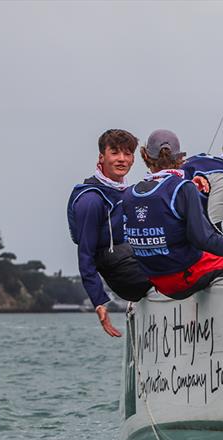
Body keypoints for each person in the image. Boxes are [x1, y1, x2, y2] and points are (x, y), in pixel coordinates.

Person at [122, 129, 223, 299]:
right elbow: (206, 238)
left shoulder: (130, 194)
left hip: (155, 279)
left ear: (145, 155)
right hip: (182, 278)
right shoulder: (188, 187)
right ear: (180, 158)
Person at [66, 129, 151, 337]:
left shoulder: (126, 192)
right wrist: (99, 301)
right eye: (115, 153)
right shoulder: (91, 200)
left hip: (134, 260)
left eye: (128, 153)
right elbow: (85, 255)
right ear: (101, 157)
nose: (122, 159)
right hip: (122, 275)